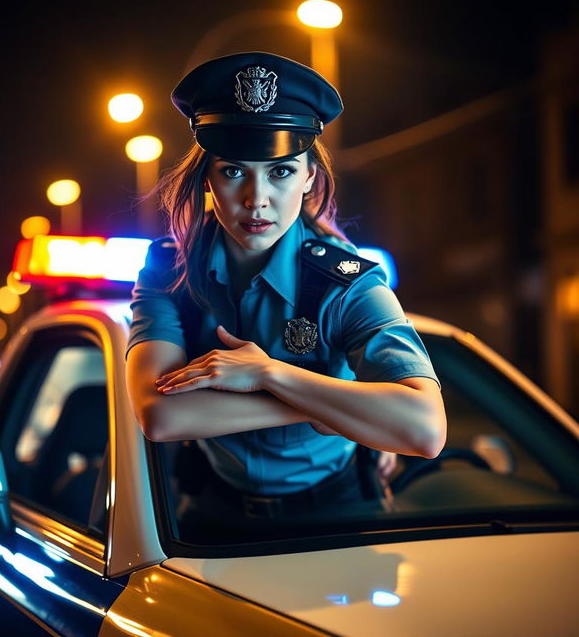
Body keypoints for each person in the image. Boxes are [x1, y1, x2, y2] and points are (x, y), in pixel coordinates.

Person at [126, 52, 446, 533]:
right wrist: (340, 412)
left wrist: (269, 374)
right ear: (207, 177)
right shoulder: (169, 269)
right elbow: (161, 415)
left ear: (309, 177)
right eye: (234, 170)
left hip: (339, 513)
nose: (257, 199)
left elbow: (424, 429)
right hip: (213, 515)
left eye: (280, 171)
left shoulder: (347, 282)